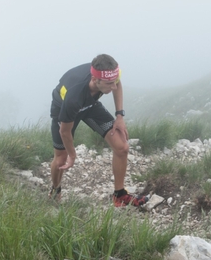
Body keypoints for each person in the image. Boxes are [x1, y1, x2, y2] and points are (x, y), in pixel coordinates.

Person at [49, 53, 149, 207]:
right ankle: (55, 191)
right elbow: (64, 131)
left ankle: (120, 196)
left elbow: (118, 83)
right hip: (65, 109)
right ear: (95, 80)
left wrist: (119, 116)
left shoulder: (106, 74)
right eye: (110, 84)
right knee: (61, 158)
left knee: (122, 147)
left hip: (90, 105)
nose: (114, 86)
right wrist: (72, 155)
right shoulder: (73, 98)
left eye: (114, 81)